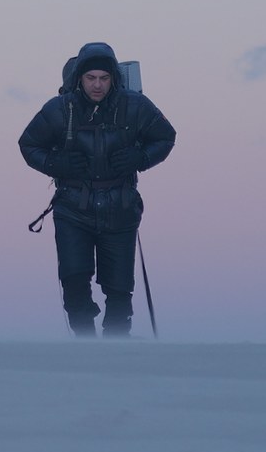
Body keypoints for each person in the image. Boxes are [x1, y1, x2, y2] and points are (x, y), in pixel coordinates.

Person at [19, 42, 176, 337]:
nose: (97, 85)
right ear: (79, 78)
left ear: (114, 78)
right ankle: (85, 345)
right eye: (91, 78)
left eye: (104, 78)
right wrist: (58, 164)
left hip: (121, 208)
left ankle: (116, 346)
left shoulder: (136, 106)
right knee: (74, 280)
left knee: (119, 289)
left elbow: (166, 137)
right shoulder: (59, 109)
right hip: (72, 208)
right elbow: (28, 144)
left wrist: (140, 158)